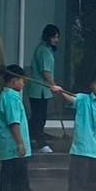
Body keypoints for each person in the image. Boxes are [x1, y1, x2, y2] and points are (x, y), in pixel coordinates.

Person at [0, 65, 45, 191]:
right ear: (14, 81)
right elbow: (13, 122)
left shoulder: (9, 96)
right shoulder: (10, 98)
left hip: (11, 145)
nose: (24, 83)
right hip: (12, 145)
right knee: (14, 174)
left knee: (17, 173)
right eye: (22, 80)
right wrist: (20, 143)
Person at [26, 24, 59, 153]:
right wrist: (53, 85)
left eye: (57, 37)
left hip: (42, 90)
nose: (56, 40)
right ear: (47, 37)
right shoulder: (44, 50)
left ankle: (28, 139)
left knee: (37, 117)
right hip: (39, 90)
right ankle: (41, 143)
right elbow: (46, 72)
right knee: (39, 118)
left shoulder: (45, 49)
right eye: (54, 37)